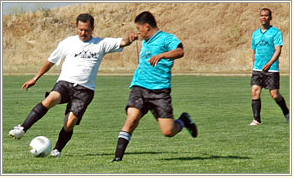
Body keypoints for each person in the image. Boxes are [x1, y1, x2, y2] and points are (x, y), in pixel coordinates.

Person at [8, 13, 138, 157]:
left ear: (92, 28)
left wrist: (130, 38)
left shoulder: (101, 43)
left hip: (85, 90)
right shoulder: (67, 42)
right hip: (65, 83)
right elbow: (51, 61)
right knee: (50, 99)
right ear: (77, 28)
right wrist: (35, 78)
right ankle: (22, 129)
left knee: (69, 124)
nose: (83, 33)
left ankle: (57, 149)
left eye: (86, 30)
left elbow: (122, 42)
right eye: (80, 29)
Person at [112, 11, 198, 162]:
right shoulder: (144, 39)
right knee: (132, 119)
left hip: (160, 91)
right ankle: (117, 159)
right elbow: (126, 41)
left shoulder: (167, 38)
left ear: (147, 26)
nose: (138, 31)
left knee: (168, 131)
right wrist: (130, 38)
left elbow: (180, 51)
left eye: (139, 28)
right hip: (139, 86)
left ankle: (184, 120)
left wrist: (162, 55)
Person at [250, 8, 289, 126]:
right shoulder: (255, 34)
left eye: (266, 16)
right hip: (258, 69)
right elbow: (254, 51)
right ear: (259, 17)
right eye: (262, 15)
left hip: (272, 68)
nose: (264, 17)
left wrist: (270, 63)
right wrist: (254, 64)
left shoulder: (276, 32)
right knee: (255, 91)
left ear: (270, 17)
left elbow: (278, 50)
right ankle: (257, 120)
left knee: (274, 95)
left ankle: (287, 113)